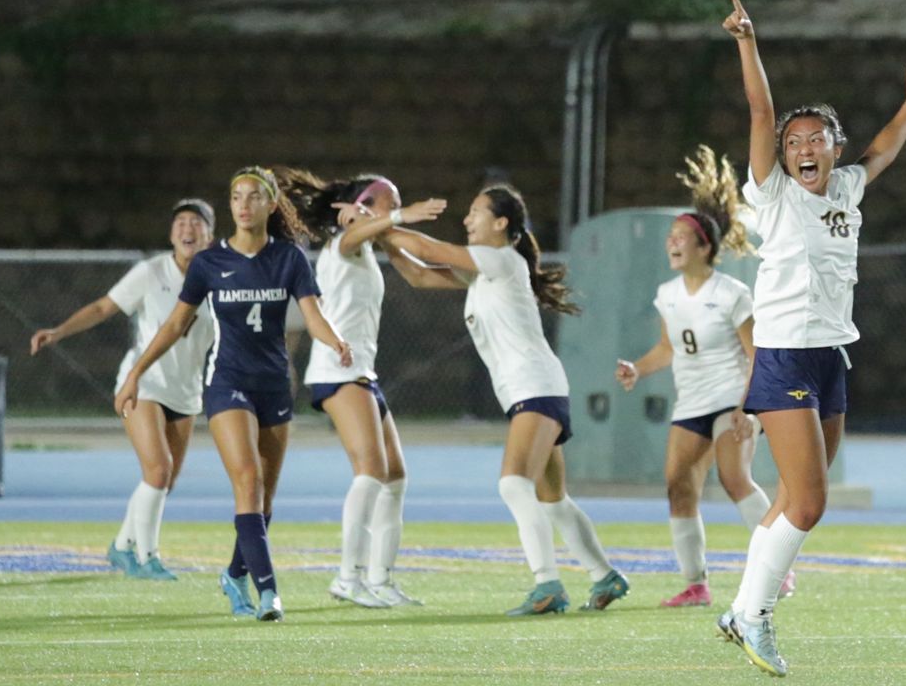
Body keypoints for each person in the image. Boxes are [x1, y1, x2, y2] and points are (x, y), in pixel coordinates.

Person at [714, 0, 906, 676]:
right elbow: (757, 111)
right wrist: (748, 42)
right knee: (808, 502)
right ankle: (753, 614)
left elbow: (881, 152)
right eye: (793, 141)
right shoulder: (772, 194)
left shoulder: (843, 189)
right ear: (781, 155)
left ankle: (742, 607)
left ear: (833, 148)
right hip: (784, 353)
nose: (803, 147)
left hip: (831, 352)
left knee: (794, 499)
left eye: (816, 139)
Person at [114, 166, 353, 622]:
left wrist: (335, 341)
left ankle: (234, 575)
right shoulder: (210, 263)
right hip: (227, 383)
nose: (243, 205)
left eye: (253, 197)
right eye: (236, 197)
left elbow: (314, 315)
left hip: (274, 385)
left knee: (264, 503)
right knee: (248, 480)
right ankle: (270, 593)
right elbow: (174, 325)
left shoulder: (289, 259)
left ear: (269, 205)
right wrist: (135, 375)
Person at [380, 184, 630, 616]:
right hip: (538, 387)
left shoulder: (499, 258)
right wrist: (380, 235)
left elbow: (426, 246)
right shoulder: (484, 270)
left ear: (501, 224)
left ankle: (547, 585)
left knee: (514, 484)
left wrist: (386, 222)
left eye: (475, 212)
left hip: (535, 386)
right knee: (553, 500)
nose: (466, 219)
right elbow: (419, 272)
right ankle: (603, 575)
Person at [614, 145, 786, 608]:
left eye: (680, 237)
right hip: (690, 401)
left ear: (704, 247)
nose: (671, 242)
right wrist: (638, 367)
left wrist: (749, 408)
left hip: (731, 396)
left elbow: (757, 355)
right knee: (677, 487)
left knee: (735, 480)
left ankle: (778, 566)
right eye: (669, 236)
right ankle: (696, 584)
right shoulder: (667, 294)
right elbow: (669, 349)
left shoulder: (731, 293)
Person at [273, 168, 444, 608]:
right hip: (338, 370)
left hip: (363, 372)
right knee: (370, 471)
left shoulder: (369, 247)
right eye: (390, 200)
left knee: (395, 478)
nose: (396, 207)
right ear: (364, 205)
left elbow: (421, 275)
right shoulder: (342, 244)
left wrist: (485, 280)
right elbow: (353, 234)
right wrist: (401, 215)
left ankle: (380, 579)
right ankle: (347, 578)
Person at [31, 198, 216, 581]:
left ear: (210, 235)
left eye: (196, 223)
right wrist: (60, 331)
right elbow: (103, 307)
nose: (187, 229)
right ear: (171, 233)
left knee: (164, 479)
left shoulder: (219, 277)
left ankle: (120, 547)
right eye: (180, 221)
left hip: (186, 391)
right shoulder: (151, 272)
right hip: (143, 383)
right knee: (158, 469)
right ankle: (149, 557)